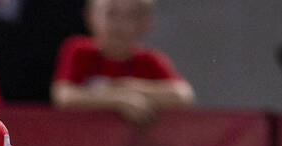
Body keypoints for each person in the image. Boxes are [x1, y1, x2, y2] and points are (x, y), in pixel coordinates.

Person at [51, 0, 194, 125]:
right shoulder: (79, 51)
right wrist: (120, 100)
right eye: (111, 13)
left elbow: (183, 96)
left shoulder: (149, 60)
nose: (119, 24)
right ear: (90, 16)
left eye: (130, 15)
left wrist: (130, 88)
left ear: (145, 23)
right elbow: (64, 96)